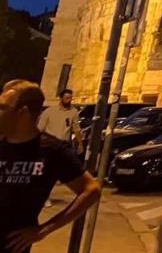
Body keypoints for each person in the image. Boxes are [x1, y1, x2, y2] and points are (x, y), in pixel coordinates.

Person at [0, 79, 100, 252]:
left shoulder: (52, 150)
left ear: (23, 113)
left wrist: (44, 230)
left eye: (2, 108)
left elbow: (91, 189)